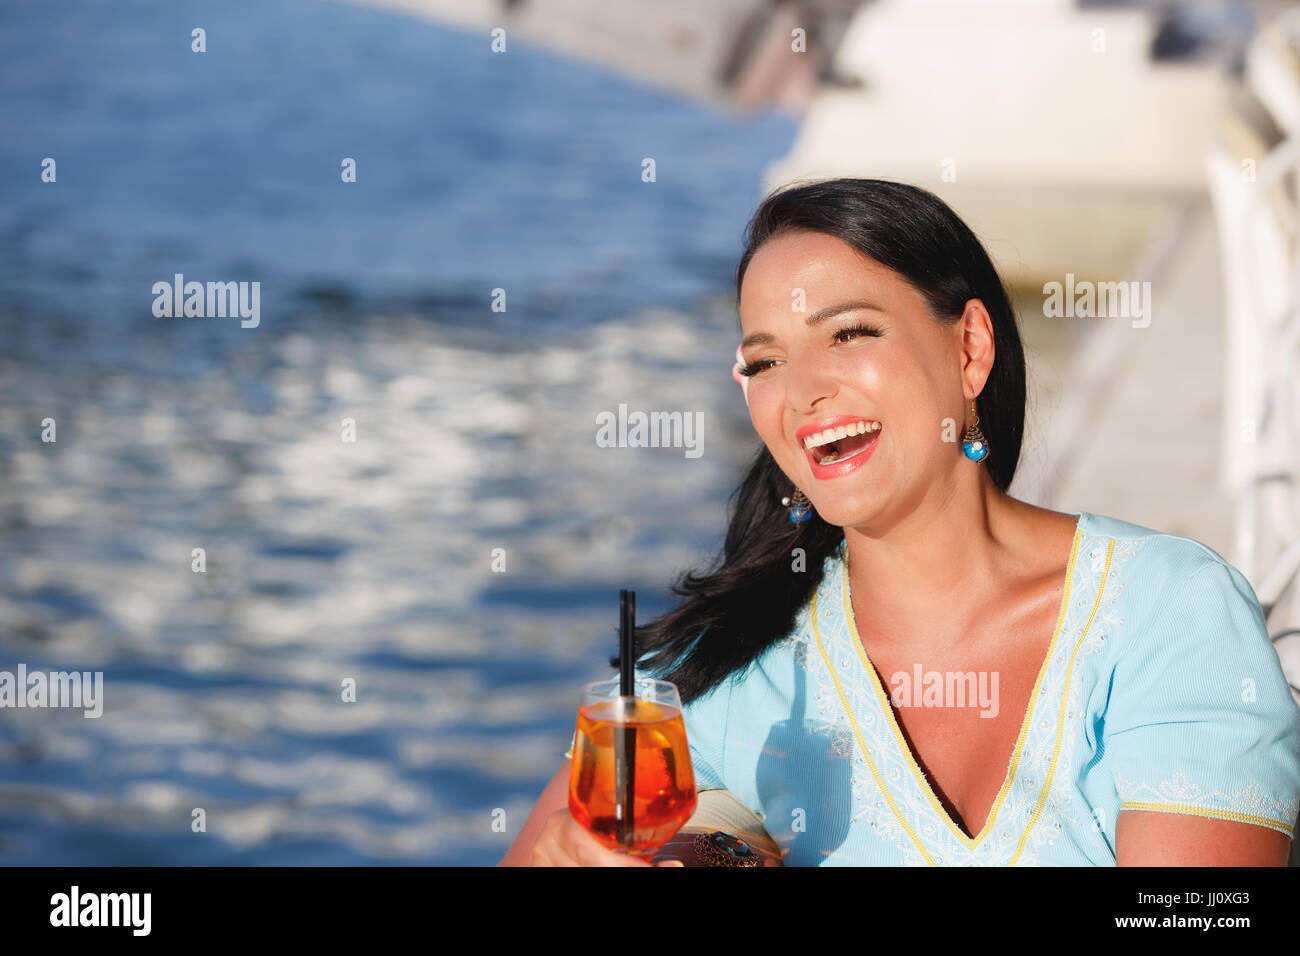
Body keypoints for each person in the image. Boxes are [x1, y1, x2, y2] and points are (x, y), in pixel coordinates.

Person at [500, 177, 1300, 866]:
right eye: (767, 361)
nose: (802, 392)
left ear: (970, 348)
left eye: (849, 333)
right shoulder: (728, 664)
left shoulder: (1168, 612)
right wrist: (703, 849)